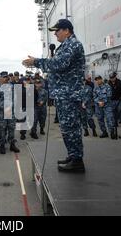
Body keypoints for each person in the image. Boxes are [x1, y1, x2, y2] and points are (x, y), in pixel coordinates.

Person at [23, 19, 86, 173]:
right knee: (67, 127)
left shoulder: (73, 44)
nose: (55, 34)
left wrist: (36, 62)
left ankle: (77, 160)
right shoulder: (66, 45)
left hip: (69, 94)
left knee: (71, 127)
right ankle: (73, 155)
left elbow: (59, 64)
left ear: (66, 30)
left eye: (57, 31)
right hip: (65, 94)